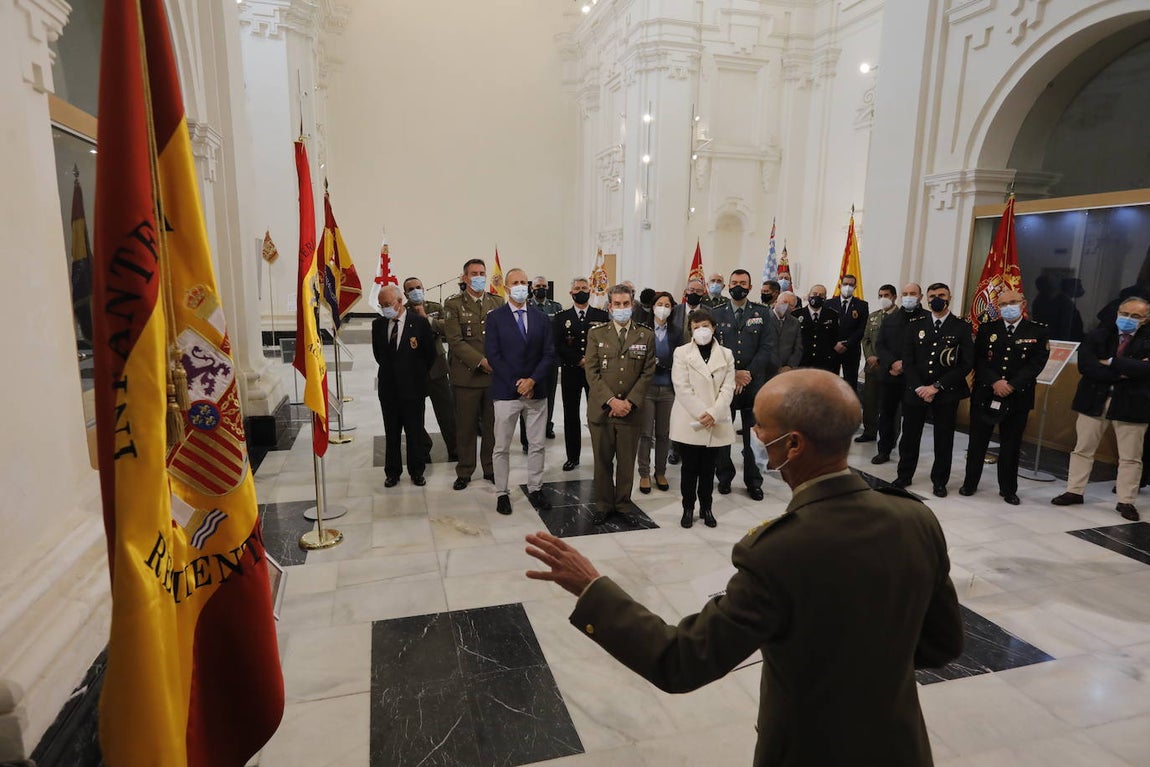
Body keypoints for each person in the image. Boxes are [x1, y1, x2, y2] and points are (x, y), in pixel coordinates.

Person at [524, 369, 963, 767]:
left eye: (760, 425)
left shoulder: (778, 552)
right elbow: (942, 645)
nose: (753, 433)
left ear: (793, 444)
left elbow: (680, 662)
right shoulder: (915, 519)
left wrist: (592, 587)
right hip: (899, 746)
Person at [1052, 296, 1150, 520]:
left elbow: (1146, 371)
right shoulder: (1098, 335)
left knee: (1131, 456)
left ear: (1145, 319)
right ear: (1117, 313)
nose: (1128, 319)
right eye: (1124, 314)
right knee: (1083, 448)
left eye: (1135, 316)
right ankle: (1074, 491)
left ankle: (1126, 501)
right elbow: (1087, 366)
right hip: (1094, 399)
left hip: (1132, 404)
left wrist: (1112, 362)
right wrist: (1125, 372)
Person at [960, 290, 1050, 505]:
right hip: (986, 393)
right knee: (977, 442)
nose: (1008, 307)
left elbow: (1037, 363)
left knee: (1011, 445)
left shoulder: (1037, 330)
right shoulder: (987, 329)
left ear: (1023, 303)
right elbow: (978, 359)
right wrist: (995, 382)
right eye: (1003, 304)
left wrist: (1011, 384)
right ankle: (970, 483)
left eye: (1013, 302)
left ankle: (1008, 489)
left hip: (1018, 396)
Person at [584, 284, 656, 525]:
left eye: (626, 304)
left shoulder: (645, 335)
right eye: (617, 304)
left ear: (633, 305)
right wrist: (611, 400)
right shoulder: (596, 333)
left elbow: (647, 373)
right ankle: (603, 504)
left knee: (626, 462)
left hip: (630, 411)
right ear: (609, 306)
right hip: (602, 410)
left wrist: (629, 402)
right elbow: (592, 372)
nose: (622, 308)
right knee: (602, 461)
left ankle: (624, 505)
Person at [486, 268, 556, 515]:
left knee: (537, 444)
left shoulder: (541, 318)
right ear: (506, 288)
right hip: (506, 391)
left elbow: (549, 353)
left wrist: (532, 381)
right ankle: (502, 493)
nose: (520, 286)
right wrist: (518, 383)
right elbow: (493, 355)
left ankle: (536, 488)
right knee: (501, 446)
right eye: (515, 282)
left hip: (536, 392)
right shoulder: (495, 318)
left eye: (523, 282)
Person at [894, 283, 974, 497]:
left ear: (950, 297)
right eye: (932, 296)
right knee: (909, 436)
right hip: (916, 390)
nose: (936, 299)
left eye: (941, 295)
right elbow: (908, 360)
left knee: (943, 438)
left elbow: (966, 363)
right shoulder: (915, 325)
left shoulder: (961, 327)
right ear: (926, 299)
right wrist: (920, 387)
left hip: (946, 392)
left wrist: (936, 386)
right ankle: (904, 475)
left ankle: (939, 481)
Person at [670, 308, 736, 527]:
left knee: (709, 469)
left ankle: (706, 507)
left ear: (714, 328)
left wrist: (714, 413)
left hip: (716, 419)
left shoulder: (726, 354)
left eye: (705, 326)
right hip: (691, 420)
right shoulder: (681, 352)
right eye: (696, 327)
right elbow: (682, 387)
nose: (701, 330)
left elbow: (728, 387)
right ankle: (688, 508)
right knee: (689, 468)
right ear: (690, 330)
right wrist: (702, 413)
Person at [443, 258, 505, 491]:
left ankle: (489, 468)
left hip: (494, 377)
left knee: (492, 426)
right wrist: (481, 361)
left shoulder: (497, 302)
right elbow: (455, 341)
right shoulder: (453, 304)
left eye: (482, 273)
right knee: (466, 427)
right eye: (474, 274)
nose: (479, 277)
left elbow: (503, 336)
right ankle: (465, 470)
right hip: (466, 377)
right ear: (465, 277)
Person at [713, 269, 773, 501]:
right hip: (725, 384)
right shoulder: (716, 312)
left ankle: (754, 481)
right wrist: (733, 374)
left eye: (743, 283)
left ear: (750, 286)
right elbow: (713, 349)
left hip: (753, 384)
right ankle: (724, 477)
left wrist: (747, 373)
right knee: (723, 434)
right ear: (728, 286)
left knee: (753, 437)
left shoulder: (762, 312)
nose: (739, 286)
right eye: (734, 282)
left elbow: (767, 347)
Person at [372, 285, 437, 487]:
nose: (385, 308)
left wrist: (414, 374)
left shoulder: (419, 323)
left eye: (388, 304)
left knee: (414, 432)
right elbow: (378, 355)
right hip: (388, 389)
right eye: (381, 305)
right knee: (391, 433)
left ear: (399, 302)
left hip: (413, 389)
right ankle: (392, 472)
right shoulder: (378, 325)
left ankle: (417, 471)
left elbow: (430, 355)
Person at [553, 278, 609, 471]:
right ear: (571, 293)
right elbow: (558, 344)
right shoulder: (561, 317)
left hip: (596, 373)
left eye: (584, 288)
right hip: (571, 371)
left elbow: (607, 342)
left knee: (598, 414)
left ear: (590, 290)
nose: (581, 291)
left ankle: (601, 456)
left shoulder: (602, 316)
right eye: (577, 288)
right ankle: (572, 457)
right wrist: (579, 359)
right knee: (571, 416)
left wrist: (590, 361)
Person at [403, 277, 458, 462]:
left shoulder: (435, 307)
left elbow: (447, 329)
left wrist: (426, 319)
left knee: (447, 412)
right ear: (405, 294)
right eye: (411, 289)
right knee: (414, 414)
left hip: (437, 367)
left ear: (424, 288)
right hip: (414, 369)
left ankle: (455, 448)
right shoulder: (403, 311)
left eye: (418, 287)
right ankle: (423, 447)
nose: (415, 291)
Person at [872, 284, 926, 465]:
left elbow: (928, 349)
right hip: (891, 375)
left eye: (913, 293)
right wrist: (892, 363)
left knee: (911, 420)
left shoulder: (927, 319)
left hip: (915, 378)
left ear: (920, 296)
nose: (909, 296)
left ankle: (906, 456)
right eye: (905, 294)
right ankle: (884, 450)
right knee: (886, 415)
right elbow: (880, 345)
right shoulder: (891, 318)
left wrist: (907, 365)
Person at [637, 292, 683, 494]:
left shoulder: (676, 332)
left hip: (668, 389)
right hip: (647, 388)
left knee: (664, 434)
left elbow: (681, 358)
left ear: (672, 309)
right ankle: (644, 473)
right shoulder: (642, 329)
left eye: (667, 305)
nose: (663, 308)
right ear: (653, 306)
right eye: (659, 304)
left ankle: (660, 472)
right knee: (645, 433)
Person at [518, 275, 562, 449]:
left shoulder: (556, 307)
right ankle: (526, 438)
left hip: (550, 359)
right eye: (537, 286)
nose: (541, 289)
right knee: (526, 397)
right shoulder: (526, 305)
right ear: (532, 288)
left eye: (543, 286)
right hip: (530, 360)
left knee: (549, 396)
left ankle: (547, 426)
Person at [857, 284, 898, 443]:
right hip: (872, 367)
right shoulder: (874, 316)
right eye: (880, 295)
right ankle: (869, 432)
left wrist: (881, 359)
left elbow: (899, 344)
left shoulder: (900, 317)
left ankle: (890, 437)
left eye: (886, 295)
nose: (883, 298)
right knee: (870, 401)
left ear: (894, 297)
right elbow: (866, 339)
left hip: (891, 368)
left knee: (891, 405)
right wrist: (870, 357)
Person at [825, 274, 870, 390]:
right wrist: (834, 344)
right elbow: (826, 328)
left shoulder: (862, 305)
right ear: (840, 285)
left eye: (851, 284)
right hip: (832, 349)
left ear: (855, 287)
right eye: (845, 284)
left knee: (850, 384)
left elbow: (862, 328)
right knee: (829, 382)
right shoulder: (829, 304)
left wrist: (847, 344)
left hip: (851, 350)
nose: (848, 287)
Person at [793, 284, 839, 372]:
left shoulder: (832, 315)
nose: (817, 297)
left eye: (821, 295)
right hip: (802, 361)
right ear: (808, 295)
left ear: (825, 298)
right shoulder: (796, 315)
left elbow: (835, 337)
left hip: (824, 363)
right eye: (814, 294)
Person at [765, 291, 802, 379]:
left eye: (791, 305)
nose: (786, 306)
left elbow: (798, 348)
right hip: (765, 370)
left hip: (786, 372)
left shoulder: (795, 322)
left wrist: (790, 366)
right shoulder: (763, 318)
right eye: (784, 302)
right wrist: (775, 367)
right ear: (776, 302)